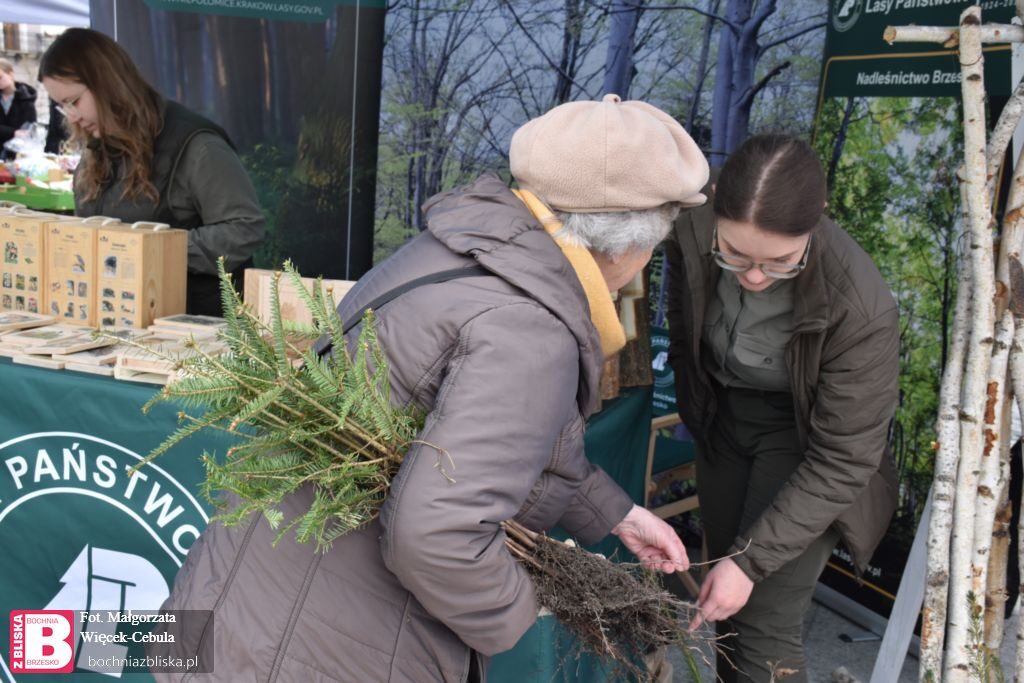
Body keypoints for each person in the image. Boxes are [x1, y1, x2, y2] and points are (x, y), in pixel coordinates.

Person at [153, 94, 709, 682]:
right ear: (625, 246)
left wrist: (616, 514)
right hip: (320, 652)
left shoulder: (454, 249)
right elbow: (436, 537)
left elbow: (496, 437)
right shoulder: (529, 331)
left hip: (241, 602)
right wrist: (525, 607)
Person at [664, 134, 899, 683]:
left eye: (780, 263)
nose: (753, 276)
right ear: (715, 206)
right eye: (735, 255)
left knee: (762, 615)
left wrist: (750, 562)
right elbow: (681, 317)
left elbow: (843, 458)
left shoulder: (861, 308)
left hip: (804, 442)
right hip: (722, 419)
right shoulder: (691, 224)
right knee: (719, 596)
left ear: (816, 220)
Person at [37, 28, 265, 316]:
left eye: (74, 102)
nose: (72, 117)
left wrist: (154, 250)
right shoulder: (96, 148)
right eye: (62, 107)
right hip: (121, 319)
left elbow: (244, 228)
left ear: (106, 83)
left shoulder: (196, 146)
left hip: (194, 325)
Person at [0, 58, 37, 160]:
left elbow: (29, 128)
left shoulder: (26, 98)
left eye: (0, 77)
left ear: (11, 74)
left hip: (18, 153)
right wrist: (13, 132)